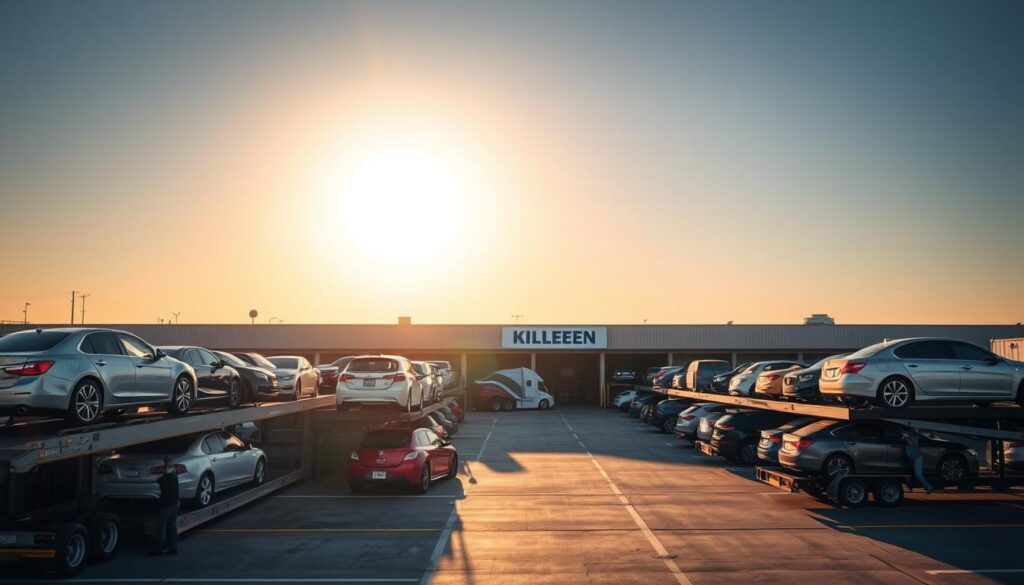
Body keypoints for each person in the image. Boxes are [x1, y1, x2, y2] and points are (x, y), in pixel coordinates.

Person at [152, 456, 180, 555]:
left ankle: (159, 549)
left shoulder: (165, 478)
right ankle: (173, 548)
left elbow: (158, 480)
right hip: (176, 502)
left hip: (166, 504)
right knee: (172, 525)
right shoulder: (174, 474)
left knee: (161, 527)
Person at [902, 428, 933, 495]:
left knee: (918, 474)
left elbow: (913, 444)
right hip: (910, 458)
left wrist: (906, 439)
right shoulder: (907, 437)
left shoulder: (915, 438)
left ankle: (929, 488)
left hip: (917, 458)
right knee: (910, 474)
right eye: (909, 431)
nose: (910, 432)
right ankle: (911, 486)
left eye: (911, 431)